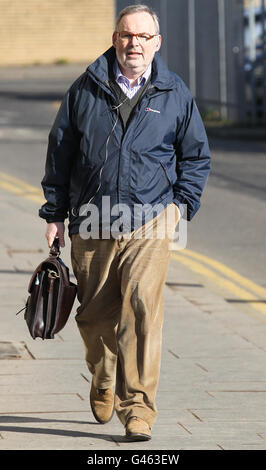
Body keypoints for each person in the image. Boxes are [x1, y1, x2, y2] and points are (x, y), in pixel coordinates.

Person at [39, 4, 210, 441]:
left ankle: (138, 410)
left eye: (143, 37)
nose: (134, 44)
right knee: (94, 319)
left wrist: (179, 207)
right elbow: (60, 153)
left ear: (157, 43)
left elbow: (195, 157)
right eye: (126, 36)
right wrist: (55, 213)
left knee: (142, 313)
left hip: (150, 220)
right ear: (116, 38)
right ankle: (102, 374)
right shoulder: (86, 89)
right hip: (92, 221)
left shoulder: (175, 94)